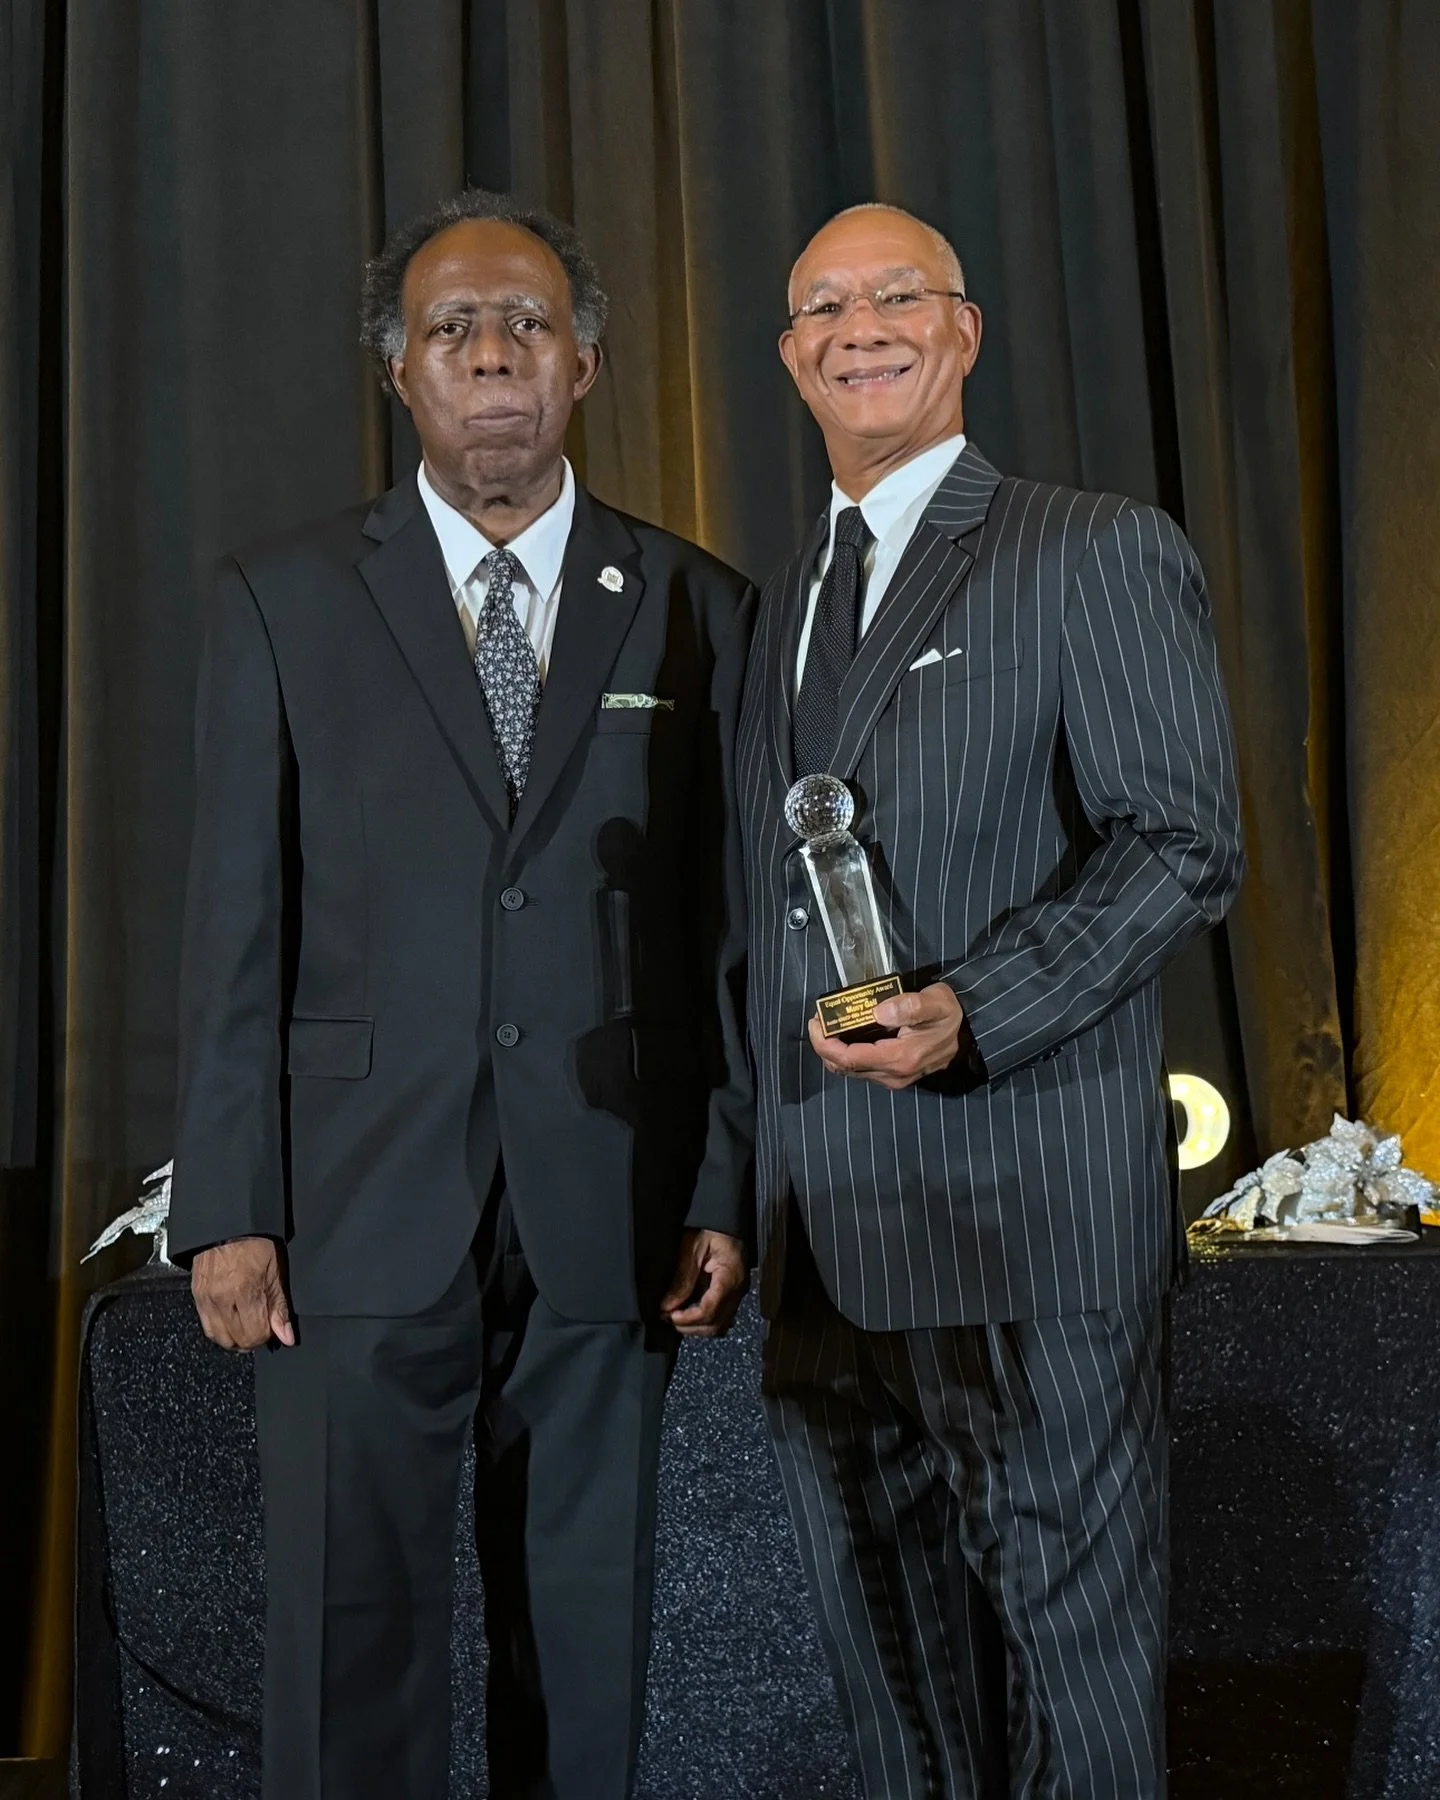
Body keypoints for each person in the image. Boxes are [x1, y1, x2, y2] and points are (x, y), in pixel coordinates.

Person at [167, 188, 754, 1800]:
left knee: (583, 1627)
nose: (491, 352)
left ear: (585, 365)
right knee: (347, 1629)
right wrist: (229, 1201)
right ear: (399, 375)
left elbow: (724, 934)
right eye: (451, 329)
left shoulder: (700, 608)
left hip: (610, 1201)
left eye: (528, 325)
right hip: (350, 1202)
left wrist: (719, 1176)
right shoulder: (280, 599)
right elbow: (233, 921)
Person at [738, 203, 1244, 1797]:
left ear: (964, 333)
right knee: (888, 1674)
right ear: (789, 357)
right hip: (823, 1227)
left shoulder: (1090, 545)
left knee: (1067, 1674)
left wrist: (979, 1004)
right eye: (824, 305)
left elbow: (1185, 844)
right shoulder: (776, 606)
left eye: (900, 296)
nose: (859, 325)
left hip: (1024, 1203)